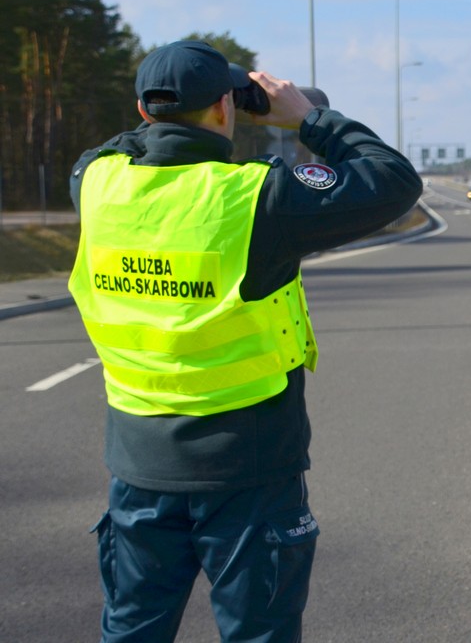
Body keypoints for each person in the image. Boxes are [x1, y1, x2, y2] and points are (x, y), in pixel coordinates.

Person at [68, 40, 422, 642]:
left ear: (143, 111)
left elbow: (117, 147)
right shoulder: (256, 197)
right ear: (225, 108)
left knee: (130, 632)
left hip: (138, 468)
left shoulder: (94, 184)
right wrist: (307, 117)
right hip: (249, 469)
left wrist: (163, 120)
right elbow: (392, 180)